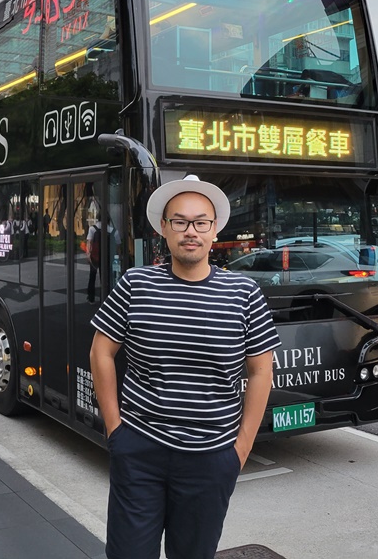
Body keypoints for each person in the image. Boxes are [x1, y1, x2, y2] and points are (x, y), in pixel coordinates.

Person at [89, 175, 280, 559]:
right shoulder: (135, 284)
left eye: (200, 222)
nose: (190, 231)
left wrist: (239, 451)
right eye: (179, 221)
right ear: (164, 228)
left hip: (211, 459)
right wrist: (116, 431)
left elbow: (261, 372)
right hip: (139, 452)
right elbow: (100, 351)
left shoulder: (244, 294)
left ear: (214, 230)